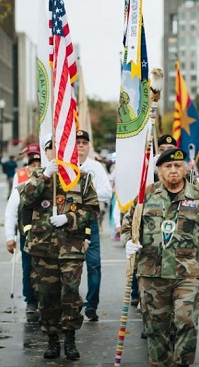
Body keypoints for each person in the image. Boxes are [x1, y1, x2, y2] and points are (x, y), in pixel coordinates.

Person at [121, 147, 199, 366]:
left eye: (177, 165)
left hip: (187, 274)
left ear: (185, 168)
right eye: (168, 166)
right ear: (158, 170)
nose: (173, 170)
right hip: (151, 274)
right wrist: (129, 241)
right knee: (156, 327)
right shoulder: (145, 195)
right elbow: (129, 225)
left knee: (187, 322)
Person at [22, 147, 99, 360]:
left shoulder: (81, 178)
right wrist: (46, 175)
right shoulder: (37, 175)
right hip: (42, 247)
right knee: (46, 295)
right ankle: (52, 339)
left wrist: (70, 219)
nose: (56, 152)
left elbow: (92, 209)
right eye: (51, 149)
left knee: (70, 293)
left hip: (70, 247)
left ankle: (70, 337)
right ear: (47, 153)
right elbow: (26, 201)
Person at [76, 129, 112, 322]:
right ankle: (72, 302)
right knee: (70, 266)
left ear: (89, 145)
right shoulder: (66, 166)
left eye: (84, 142)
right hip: (69, 223)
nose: (81, 145)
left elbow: (107, 192)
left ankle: (91, 305)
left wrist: (84, 197)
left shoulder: (95, 167)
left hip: (89, 221)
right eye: (77, 142)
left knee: (94, 264)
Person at [4, 149, 42, 321]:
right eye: (32, 165)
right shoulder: (20, 189)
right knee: (28, 268)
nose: (36, 168)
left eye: (39, 165)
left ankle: (45, 299)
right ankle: (31, 300)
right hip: (27, 236)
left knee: (45, 270)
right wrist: (9, 237)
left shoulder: (50, 187)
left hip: (47, 237)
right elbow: (10, 213)